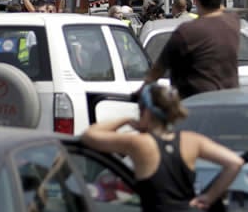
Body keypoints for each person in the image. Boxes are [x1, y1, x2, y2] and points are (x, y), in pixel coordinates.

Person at [82, 83, 243, 211]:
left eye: (140, 109)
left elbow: (90, 135)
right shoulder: (192, 141)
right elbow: (235, 162)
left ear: (147, 112)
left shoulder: (139, 143)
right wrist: (209, 197)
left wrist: (126, 120)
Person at [142, 0, 240, 99]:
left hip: (195, 108)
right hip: (228, 106)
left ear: (196, 0)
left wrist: (139, 93)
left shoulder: (186, 32)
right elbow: (220, 9)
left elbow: (156, 72)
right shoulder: (233, 23)